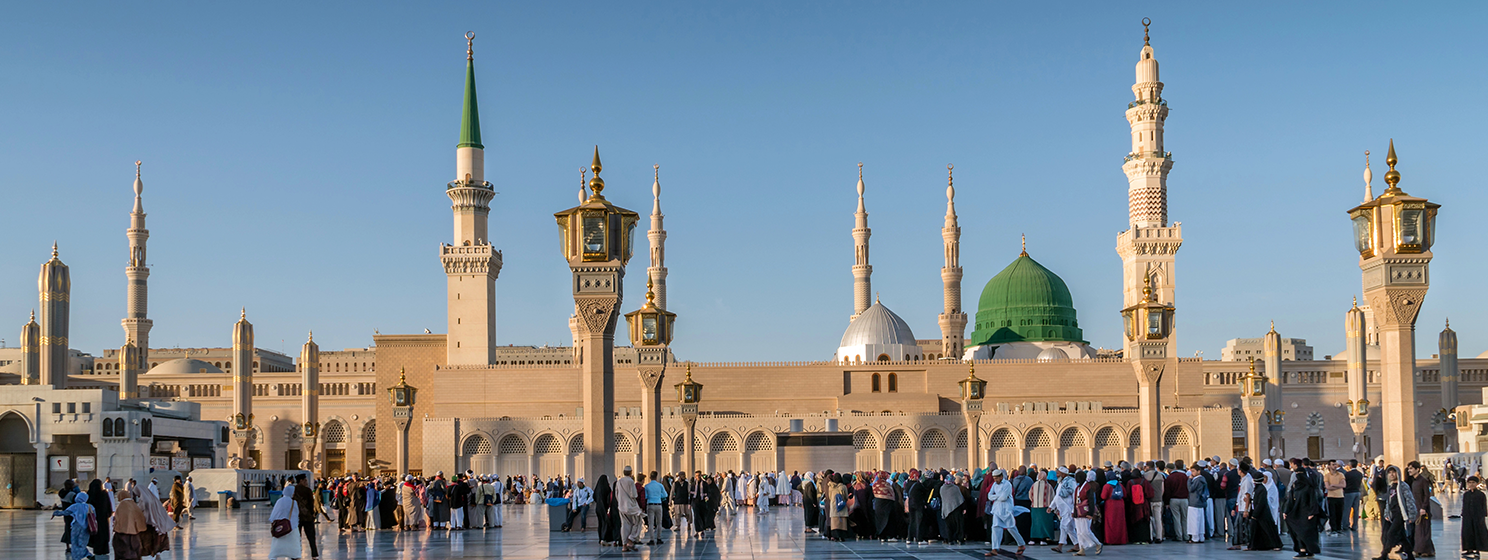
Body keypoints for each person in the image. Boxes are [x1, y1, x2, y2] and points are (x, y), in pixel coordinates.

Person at [982, 469, 1027, 557]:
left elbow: (1003, 498)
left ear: (1001, 477)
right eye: (994, 478)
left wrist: (995, 497)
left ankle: (1021, 544)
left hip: (1006, 509)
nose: (995, 480)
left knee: (1011, 528)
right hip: (997, 509)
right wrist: (997, 496)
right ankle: (995, 548)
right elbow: (989, 496)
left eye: (996, 478)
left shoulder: (1007, 484)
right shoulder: (994, 484)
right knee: (995, 528)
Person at [1284, 458, 1322, 558]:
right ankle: (1302, 550)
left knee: (1307, 533)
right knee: (1299, 532)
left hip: (1307, 513)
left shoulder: (1309, 487)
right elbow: (1291, 500)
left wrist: (1312, 513)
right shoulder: (1295, 487)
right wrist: (1286, 511)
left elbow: (1313, 500)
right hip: (1298, 512)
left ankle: (1309, 550)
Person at [1380, 466, 1416, 560]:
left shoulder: (1403, 486)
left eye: (1394, 472)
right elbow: (1389, 501)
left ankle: (1384, 554)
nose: (1391, 474)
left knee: (1391, 534)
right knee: (1402, 536)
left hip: (1401, 514)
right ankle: (1410, 555)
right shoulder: (1391, 486)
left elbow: (1409, 500)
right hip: (1393, 514)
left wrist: (1412, 515)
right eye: (1390, 473)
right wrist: (1387, 514)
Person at [1248, 470, 1283, 551]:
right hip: (1259, 511)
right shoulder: (1260, 488)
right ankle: (1256, 545)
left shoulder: (1265, 488)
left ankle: (1276, 544)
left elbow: (1263, 502)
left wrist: (1255, 513)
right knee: (1258, 529)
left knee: (1268, 529)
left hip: (1264, 512)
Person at [54, 492, 95, 560]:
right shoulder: (90, 507)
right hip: (86, 527)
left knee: (74, 543)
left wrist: (56, 513)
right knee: (82, 543)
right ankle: (87, 555)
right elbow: (94, 516)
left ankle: (77, 557)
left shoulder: (74, 506)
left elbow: (65, 512)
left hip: (76, 527)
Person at [291, 474, 322, 560]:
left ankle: (295, 555)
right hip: (307, 517)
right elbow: (311, 504)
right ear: (301, 481)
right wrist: (312, 514)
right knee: (311, 537)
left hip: (297, 517)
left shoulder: (294, 490)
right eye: (305, 481)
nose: (306, 482)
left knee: (297, 537)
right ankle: (314, 555)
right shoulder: (307, 490)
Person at [269, 481, 302, 560]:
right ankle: (294, 556)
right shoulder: (294, 502)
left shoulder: (279, 501)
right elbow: (296, 514)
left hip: (280, 527)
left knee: (277, 544)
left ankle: (274, 556)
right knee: (293, 544)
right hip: (291, 527)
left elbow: (273, 515)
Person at [1409, 461, 1435, 558]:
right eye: (1409, 469)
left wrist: (1424, 507)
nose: (1409, 470)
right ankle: (1422, 549)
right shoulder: (1414, 481)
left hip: (1422, 509)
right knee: (1419, 530)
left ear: (1417, 469)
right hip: (1416, 508)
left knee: (1424, 530)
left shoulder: (1423, 480)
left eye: (1411, 468)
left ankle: (1424, 550)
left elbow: (1426, 495)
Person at [1072, 471, 1102, 556]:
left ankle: (1097, 543)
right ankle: (1082, 548)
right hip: (1078, 512)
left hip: (1085, 512)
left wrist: (1090, 513)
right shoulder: (1078, 488)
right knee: (1079, 532)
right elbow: (1075, 501)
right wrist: (1073, 511)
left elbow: (1091, 501)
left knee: (1086, 531)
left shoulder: (1088, 487)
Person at [113, 488, 148, 560]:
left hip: (122, 533)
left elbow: (118, 519)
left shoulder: (121, 506)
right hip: (135, 533)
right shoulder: (134, 505)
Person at [616, 467, 644, 551]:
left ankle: (624, 545)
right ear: (631, 473)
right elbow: (634, 495)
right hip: (630, 506)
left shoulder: (619, 481)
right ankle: (631, 539)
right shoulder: (630, 481)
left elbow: (617, 494)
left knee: (625, 525)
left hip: (621, 506)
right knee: (638, 521)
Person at [1100, 471, 1129, 545]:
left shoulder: (1107, 486)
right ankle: (1121, 539)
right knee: (1120, 522)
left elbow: (1103, 496)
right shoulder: (1120, 485)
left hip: (1110, 505)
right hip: (1120, 505)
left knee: (1110, 523)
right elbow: (1125, 495)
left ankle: (1110, 540)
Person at [1463, 476, 1488, 558]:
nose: (1471, 484)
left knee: (1478, 533)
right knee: (1468, 532)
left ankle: (1477, 550)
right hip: (1468, 516)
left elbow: (1483, 506)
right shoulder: (1466, 494)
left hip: (1477, 516)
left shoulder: (1481, 494)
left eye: (1473, 482)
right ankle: (1469, 549)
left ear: (1477, 484)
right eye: (1470, 483)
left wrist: (1483, 515)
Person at [86, 479, 113, 556]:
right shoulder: (104, 494)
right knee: (103, 533)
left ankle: (97, 548)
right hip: (103, 518)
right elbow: (109, 506)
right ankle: (104, 549)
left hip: (93, 518)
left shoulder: (89, 494)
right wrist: (108, 514)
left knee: (96, 534)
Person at [1164, 461, 1189, 543]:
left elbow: (1167, 491)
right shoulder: (1185, 476)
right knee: (1185, 518)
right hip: (1185, 499)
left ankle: (1179, 536)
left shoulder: (1170, 477)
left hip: (1174, 499)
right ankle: (1186, 535)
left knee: (1176, 518)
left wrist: (1167, 502)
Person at [644, 471, 668, 545]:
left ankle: (651, 539)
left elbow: (645, 496)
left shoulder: (647, 486)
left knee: (651, 523)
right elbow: (665, 495)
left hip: (650, 504)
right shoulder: (660, 485)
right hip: (658, 504)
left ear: (650, 477)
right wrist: (658, 496)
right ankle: (659, 538)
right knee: (659, 523)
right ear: (656, 477)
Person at [1186, 464, 1207, 543]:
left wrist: (1189, 480)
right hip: (1200, 502)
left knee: (1194, 520)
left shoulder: (1197, 480)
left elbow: (1191, 489)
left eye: (1194, 471)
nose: (1192, 473)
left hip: (1194, 502)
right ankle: (1201, 536)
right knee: (1200, 520)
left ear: (1199, 471)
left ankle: (1195, 537)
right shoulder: (1202, 479)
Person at [1325, 462, 1347, 535]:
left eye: (1335, 464)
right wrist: (1338, 486)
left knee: (1339, 513)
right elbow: (1327, 487)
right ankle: (1333, 528)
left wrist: (1333, 485)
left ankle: (1338, 528)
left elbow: (1343, 485)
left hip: (1340, 496)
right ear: (1329, 466)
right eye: (1333, 465)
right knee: (1332, 514)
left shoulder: (1341, 475)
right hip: (1331, 496)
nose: (1335, 466)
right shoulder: (1327, 475)